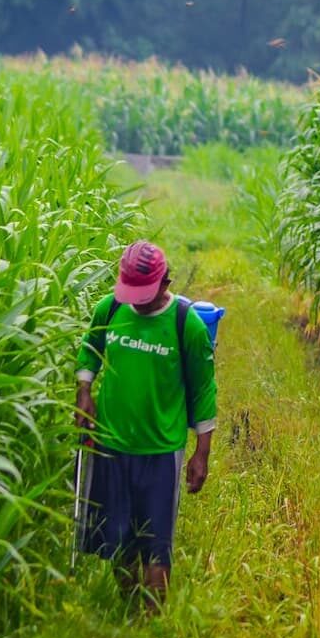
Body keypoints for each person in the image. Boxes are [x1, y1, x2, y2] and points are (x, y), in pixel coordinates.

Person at [73, 240, 217, 607]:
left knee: (155, 545)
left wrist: (202, 453)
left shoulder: (187, 324)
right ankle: (126, 610)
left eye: (144, 293)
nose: (135, 300)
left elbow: (203, 390)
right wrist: (84, 390)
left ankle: (151, 622)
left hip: (160, 451)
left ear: (164, 283)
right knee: (117, 537)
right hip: (111, 443)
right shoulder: (112, 307)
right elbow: (91, 347)